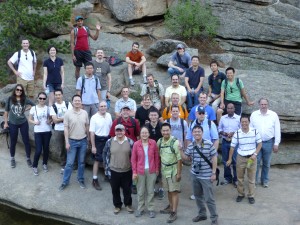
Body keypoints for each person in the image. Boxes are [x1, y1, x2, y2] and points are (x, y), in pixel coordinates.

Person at [181, 125, 219, 225]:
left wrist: (213, 173)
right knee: (198, 196)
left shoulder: (208, 144)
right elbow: (186, 158)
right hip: (195, 175)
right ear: (192, 133)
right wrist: (180, 150)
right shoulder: (191, 145)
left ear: (202, 133)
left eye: (199, 131)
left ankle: (214, 218)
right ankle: (202, 214)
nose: (197, 133)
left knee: (209, 198)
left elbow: (214, 157)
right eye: (195, 132)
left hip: (206, 176)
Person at [226, 115, 262, 204]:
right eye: (242, 122)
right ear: (240, 122)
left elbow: (260, 144)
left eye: (246, 121)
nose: (244, 123)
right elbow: (232, 147)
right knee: (240, 178)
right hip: (240, 158)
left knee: (251, 178)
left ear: (249, 122)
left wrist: (255, 154)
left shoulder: (255, 131)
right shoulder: (237, 133)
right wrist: (230, 159)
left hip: (251, 159)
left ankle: (251, 195)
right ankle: (241, 194)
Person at [59, 95, 89, 191]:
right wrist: (67, 142)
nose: (77, 102)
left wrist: (88, 138)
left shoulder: (85, 113)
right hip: (72, 141)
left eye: (79, 100)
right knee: (69, 163)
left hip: (83, 141)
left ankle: (80, 179)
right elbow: (65, 128)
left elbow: (87, 125)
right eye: (75, 100)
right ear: (72, 102)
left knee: (81, 163)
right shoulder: (67, 113)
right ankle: (65, 181)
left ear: (81, 102)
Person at [103, 124, 135, 215]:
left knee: (127, 189)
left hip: (127, 170)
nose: (119, 132)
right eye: (117, 130)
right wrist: (106, 166)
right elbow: (105, 153)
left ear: (124, 131)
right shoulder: (109, 141)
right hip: (113, 170)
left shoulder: (130, 142)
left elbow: (134, 156)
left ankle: (128, 204)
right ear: (115, 131)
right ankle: (117, 206)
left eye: (121, 130)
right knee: (115, 189)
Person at [250, 98, 281, 188]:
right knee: (256, 162)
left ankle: (265, 181)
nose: (263, 106)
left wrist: (276, 143)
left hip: (269, 142)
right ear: (259, 105)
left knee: (266, 163)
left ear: (268, 105)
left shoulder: (273, 115)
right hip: (257, 143)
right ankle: (254, 181)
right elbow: (251, 129)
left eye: (265, 104)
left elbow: (277, 130)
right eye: (262, 104)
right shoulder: (254, 115)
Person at [3, 84, 35, 168]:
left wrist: (26, 109)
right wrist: (6, 123)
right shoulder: (10, 99)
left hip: (23, 123)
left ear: (22, 91)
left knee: (26, 141)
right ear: (15, 90)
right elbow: (6, 112)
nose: (19, 91)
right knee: (13, 141)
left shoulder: (24, 99)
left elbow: (33, 104)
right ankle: (12, 158)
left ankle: (28, 158)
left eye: (21, 90)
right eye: (17, 89)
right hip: (13, 123)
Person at [131, 126, 160, 218]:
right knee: (140, 191)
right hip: (140, 171)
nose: (144, 134)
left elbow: (156, 157)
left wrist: (157, 169)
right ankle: (140, 208)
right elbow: (133, 159)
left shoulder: (153, 143)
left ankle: (151, 209)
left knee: (151, 191)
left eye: (146, 132)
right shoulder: (136, 144)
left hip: (151, 170)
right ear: (140, 134)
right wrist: (134, 172)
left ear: (149, 134)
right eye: (142, 133)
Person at [158, 123, 182, 223]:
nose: (165, 132)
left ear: (170, 130)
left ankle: (174, 212)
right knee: (168, 190)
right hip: (164, 170)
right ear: (161, 131)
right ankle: (170, 207)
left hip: (174, 170)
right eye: (163, 131)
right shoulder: (159, 142)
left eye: (167, 130)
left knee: (174, 191)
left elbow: (179, 159)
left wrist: (179, 173)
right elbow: (159, 156)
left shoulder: (175, 142)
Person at [89, 101, 112, 190]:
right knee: (97, 160)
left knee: (108, 157)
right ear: (98, 107)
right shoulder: (94, 117)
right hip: (98, 140)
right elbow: (92, 133)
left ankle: (107, 175)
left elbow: (111, 128)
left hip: (107, 139)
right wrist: (93, 146)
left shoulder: (109, 115)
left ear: (107, 107)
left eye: (104, 106)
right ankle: (94, 179)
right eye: (101, 106)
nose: (103, 108)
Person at [28, 92, 52, 176]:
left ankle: (44, 163)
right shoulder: (33, 108)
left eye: (44, 98)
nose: (42, 100)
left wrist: (50, 121)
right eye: (40, 98)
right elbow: (29, 119)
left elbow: (51, 118)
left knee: (46, 149)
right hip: (38, 131)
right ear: (38, 98)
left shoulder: (48, 108)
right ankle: (34, 166)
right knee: (38, 150)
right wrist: (35, 121)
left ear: (45, 100)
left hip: (47, 131)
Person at [70, 15, 101, 80]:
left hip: (86, 51)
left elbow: (94, 38)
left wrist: (97, 30)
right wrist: (73, 55)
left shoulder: (86, 29)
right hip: (77, 51)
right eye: (78, 21)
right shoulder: (74, 31)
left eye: (81, 21)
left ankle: (89, 80)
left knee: (89, 67)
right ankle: (78, 82)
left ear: (83, 21)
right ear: (76, 22)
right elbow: (72, 43)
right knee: (77, 68)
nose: (80, 22)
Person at [50, 89, 73, 174]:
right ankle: (63, 165)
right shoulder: (53, 107)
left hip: (68, 129)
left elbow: (71, 116)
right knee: (61, 148)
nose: (58, 96)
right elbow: (55, 121)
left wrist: (60, 119)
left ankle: (71, 164)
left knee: (70, 147)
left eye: (59, 94)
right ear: (55, 96)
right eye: (56, 95)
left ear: (62, 95)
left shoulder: (67, 104)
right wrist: (64, 118)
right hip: (58, 130)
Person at [218, 103, 240, 187]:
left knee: (235, 161)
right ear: (226, 109)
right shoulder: (223, 118)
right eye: (228, 108)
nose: (230, 110)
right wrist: (223, 133)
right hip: (225, 141)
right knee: (225, 161)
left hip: (235, 142)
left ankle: (236, 179)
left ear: (234, 109)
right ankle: (227, 178)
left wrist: (233, 133)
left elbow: (241, 130)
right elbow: (219, 129)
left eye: (231, 108)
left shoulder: (238, 118)